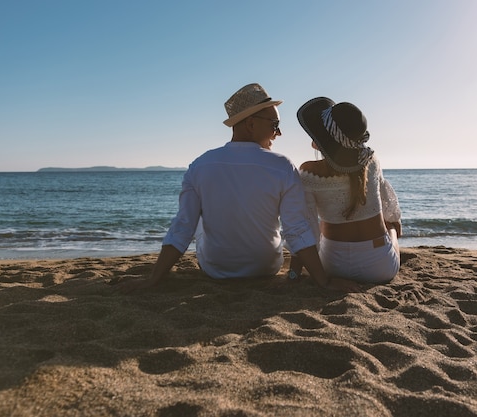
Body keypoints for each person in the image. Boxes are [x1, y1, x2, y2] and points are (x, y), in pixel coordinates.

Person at [116, 84, 360, 293]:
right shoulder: (283, 166)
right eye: (274, 123)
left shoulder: (199, 165)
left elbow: (182, 228)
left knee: (197, 218)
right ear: (251, 124)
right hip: (265, 267)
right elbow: (296, 229)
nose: (279, 132)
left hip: (215, 268)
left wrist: (152, 279)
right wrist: (324, 281)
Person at [288, 97, 402, 284]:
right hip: (379, 268)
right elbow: (386, 205)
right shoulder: (372, 161)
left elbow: (306, 226)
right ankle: (391, 234)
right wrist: (393, 222)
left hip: (333, 264)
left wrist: (294, 274)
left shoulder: (309, 172)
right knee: (390, 228)